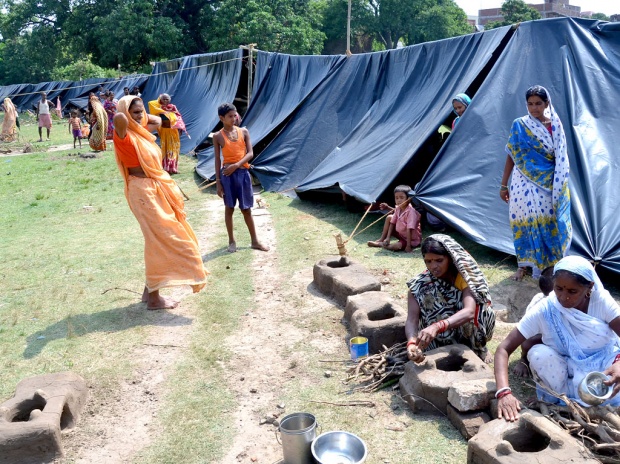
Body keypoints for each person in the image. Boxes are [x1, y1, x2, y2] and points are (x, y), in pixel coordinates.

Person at [494, 256, 620, 421]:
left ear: (589, 287)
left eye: (572, 291)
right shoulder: (546, 308)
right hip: (562, 368)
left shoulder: (601, 302)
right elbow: (504, 348)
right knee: (538, 354)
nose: (563, 297)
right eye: (558, 288)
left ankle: (580, 403)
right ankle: (560, 400)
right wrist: (504, 393)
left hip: (601, 368)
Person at [112, 95, 208, 309]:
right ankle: (155, 298)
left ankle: (149, 292)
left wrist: (143, 115)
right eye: (135, 112)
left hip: (154, 189)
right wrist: (123, 109)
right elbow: (119, 116)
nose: (140, 116)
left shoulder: (143, 134)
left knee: (156, 237)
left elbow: (157, 121)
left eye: (141, 111)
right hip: (142, 191)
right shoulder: (123, 136)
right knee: (163, 238)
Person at [500, 85, 571, 281]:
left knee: (549, 223)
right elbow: (511, 156)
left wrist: (560, 186)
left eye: (538, 104)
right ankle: (524, 265)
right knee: (523, 222)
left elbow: (561, 159)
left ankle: (553, 266)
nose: (534, 108)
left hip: (548, 185)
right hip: (522, 183)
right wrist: (504, 184)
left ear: (547, 103)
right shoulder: (519, 125)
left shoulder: (555, 125)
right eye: (530, 104)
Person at [405, 234, 496, 363]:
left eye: (439, 260)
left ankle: (477, 348)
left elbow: (469, 311)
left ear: (451, 258)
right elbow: (411, 319)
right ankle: (439, 347)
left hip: (466, 330)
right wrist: (411, 343)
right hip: (440, 337)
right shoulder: (420, 285)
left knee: (479, 307)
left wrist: (437, 326)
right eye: (428, 261)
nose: (433, 266)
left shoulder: (466, 277)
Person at [214, 103, 269, 253]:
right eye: (230, 116)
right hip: (227, 176)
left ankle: (255, 241)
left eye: (235, 115)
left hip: (242, 174)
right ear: (221, 118)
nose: (234, 118)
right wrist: (218, 182)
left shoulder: (244, 131)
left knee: (246, 209)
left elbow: (250, 153)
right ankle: (231, 241)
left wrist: (236, 165)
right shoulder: (218, 136)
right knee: (229, 208)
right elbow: (218, 160)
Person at [512, 266, 554, 378]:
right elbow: (525, 335)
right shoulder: (540, 304)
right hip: (544, 338)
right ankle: (524, 359)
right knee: (529, 342)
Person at [367, 185, 421, 252]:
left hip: (410, 239)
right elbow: (392, 223)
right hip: (401, 234)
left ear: (408, 199)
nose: (399, 200)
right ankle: (382, 239)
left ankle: (381, 244)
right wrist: (388, 238)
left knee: (396, 246)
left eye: (401, 198)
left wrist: (408, 246)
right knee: (389, 217)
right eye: (396, 198)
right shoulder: (398, 208)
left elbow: (409, 229)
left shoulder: (411, 212)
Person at [148, 94, 189, 174]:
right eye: (164, 99)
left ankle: (174, 168)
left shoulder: (172, 107)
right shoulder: (158, 108)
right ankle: (166, 167)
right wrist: (162, 109)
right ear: (160, 99)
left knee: (175, 149)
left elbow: (179, 117)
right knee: (166, 149)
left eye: (167, 99)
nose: (165, 101)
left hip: (174, 131)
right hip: (165, 131)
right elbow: (150, 103)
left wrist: (180, 128)